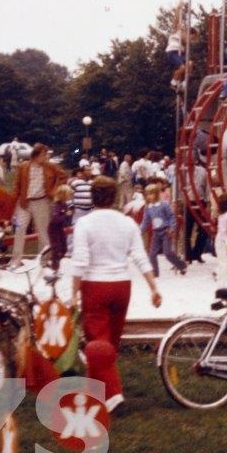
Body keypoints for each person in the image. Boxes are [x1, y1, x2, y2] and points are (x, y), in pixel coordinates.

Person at [68, 176, 162, 413]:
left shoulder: (85, 224)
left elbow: (80, 261)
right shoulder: (127, 223)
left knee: (98, 343)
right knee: (109, 344)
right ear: (114, 197)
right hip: (122, 286)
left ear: (92, 197)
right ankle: (95, 393)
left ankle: (114, 397)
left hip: (95, 286)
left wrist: (73, 293)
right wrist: (153, 287)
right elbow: (140, 256)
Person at [10, 144, 67, 266]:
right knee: (19, 230)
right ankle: (15, 260)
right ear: (35, 155)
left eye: (46, 154)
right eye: (43, 154)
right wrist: (13, 201)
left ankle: (44, 260)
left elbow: (63, 176)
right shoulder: (23, 166)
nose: (45, 157)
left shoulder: (50, 166)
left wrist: (54, 190)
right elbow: (17, 185)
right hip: (24, 203)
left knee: (43, 232)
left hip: (42, 202)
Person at [139, 183, 186, 276]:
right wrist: (139, 231)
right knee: (152, 254)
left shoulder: (164, 205)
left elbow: (171, 217)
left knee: (167, 252)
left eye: (151, 194)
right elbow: (145, 220)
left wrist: (172, 228)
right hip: (156, 232)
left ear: (156, 194)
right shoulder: (148, 207)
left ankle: (181, 265)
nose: (149, 196)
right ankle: (155, 272)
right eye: (147, 194)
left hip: (166, 231)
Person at [48, 185, 73, 270]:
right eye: (69, 194)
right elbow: (55, 219)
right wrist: (66, 215)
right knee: (57, 249)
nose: (70, 195)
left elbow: (64, 218)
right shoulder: (56, 205)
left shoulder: (64, 204)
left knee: (64, 248)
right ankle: (54, 267)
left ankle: (56, 263)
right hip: (54, 229)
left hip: (60, 228)